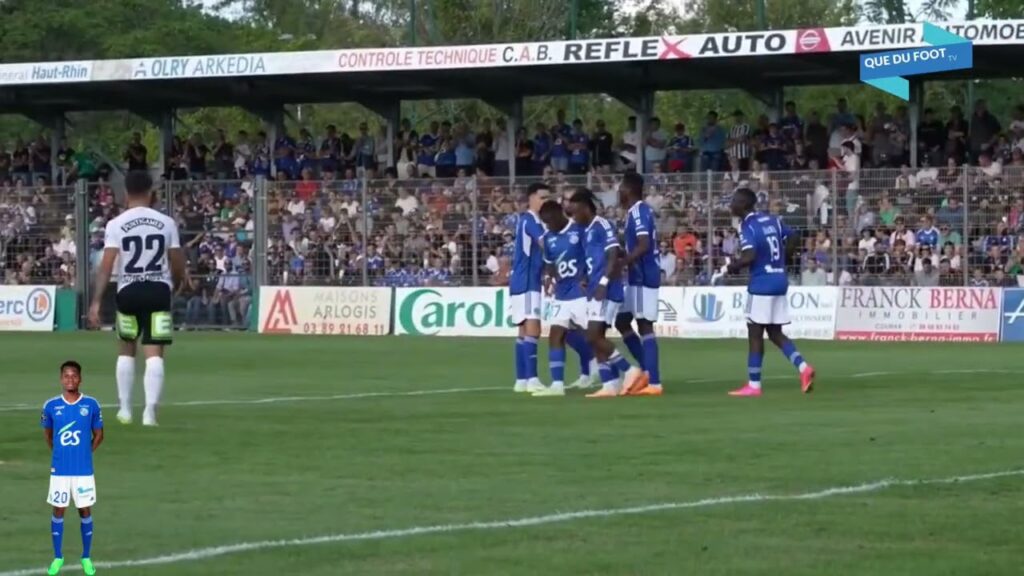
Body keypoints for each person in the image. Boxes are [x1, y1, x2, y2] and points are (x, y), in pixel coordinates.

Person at [88, 171, 186, 426]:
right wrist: (175, 284)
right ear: (152, 192)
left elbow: (107, 265)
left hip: (128, 291)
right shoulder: (166, 222)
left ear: (126, 193)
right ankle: (150, 411)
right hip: (158, 290)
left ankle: (125, 409)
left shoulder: (116, 224)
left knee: (126, 349)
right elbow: (177, 261)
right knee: (154, 352)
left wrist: (97, 301)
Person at [724, 188, 815, 397]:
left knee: (755, 333)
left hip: (762, 284)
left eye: (734, 201)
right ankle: (804, 368)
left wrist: (730, 268)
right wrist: (783, 259)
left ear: (744, 205)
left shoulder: (747, 225)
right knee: (774, 332)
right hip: (779, 280)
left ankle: (754, 385)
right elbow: (793, 236)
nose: (731, 205)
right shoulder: (772, 220)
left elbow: (749, 256)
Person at [569, 189, 646, 399]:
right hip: (594, 288)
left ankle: (630, 370)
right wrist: (585, 277)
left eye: (575, 212)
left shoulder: (602, 224)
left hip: (607, 289)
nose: (574, 217)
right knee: (595, 338)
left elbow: (613, 253)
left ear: (585, 208)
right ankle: (609, 384)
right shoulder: (585, 230)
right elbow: (591, 258)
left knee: (593, 335)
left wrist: (603, 282)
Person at [41, 361, 103, 576]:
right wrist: (59, 454)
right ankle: (58, 557)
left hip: (83, 471)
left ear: (80, 379)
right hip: (60, 470)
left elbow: (99, 435)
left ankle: (86, 557)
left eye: (74, 376)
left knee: (84, 510)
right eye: (66, 376)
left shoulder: (91, 404)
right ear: (61, 379)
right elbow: (48, 435)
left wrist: (86, 454)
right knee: (58, 510)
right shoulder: (50, 406)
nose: (70, 379)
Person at [533, 200, 597, 397]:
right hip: (562, 294)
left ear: (560, 214)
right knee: (556, 335)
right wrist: (548, 277)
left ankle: (616, 375)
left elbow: (592, 256)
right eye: (545, 223)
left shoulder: (579, 231)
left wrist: (588, 277)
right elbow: (549, 263)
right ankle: (557, 385)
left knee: (595, 338)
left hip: (580, 293)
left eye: (550, 221)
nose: (548, 226)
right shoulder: (548, 238)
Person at [616, 172, 663, 396]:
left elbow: (644, 244)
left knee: (645, 326)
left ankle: (654, 382)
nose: (618, 191)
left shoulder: (640, 211)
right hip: (635, 277)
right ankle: (646, 370)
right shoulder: (632, 213)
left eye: (620, 187)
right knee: (622, 321)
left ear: (628, 189)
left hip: (644, 277)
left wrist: (623, 262)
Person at [509, 182, 549, 393]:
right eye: (542, 197)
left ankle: (521, 380)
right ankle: (532, 379)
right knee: (533, 329)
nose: (545, 201)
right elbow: (546, 244)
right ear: (531, 198)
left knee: (523, 330)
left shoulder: (528, 221)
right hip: (527, 282)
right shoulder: (531, 221)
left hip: (522, 280)